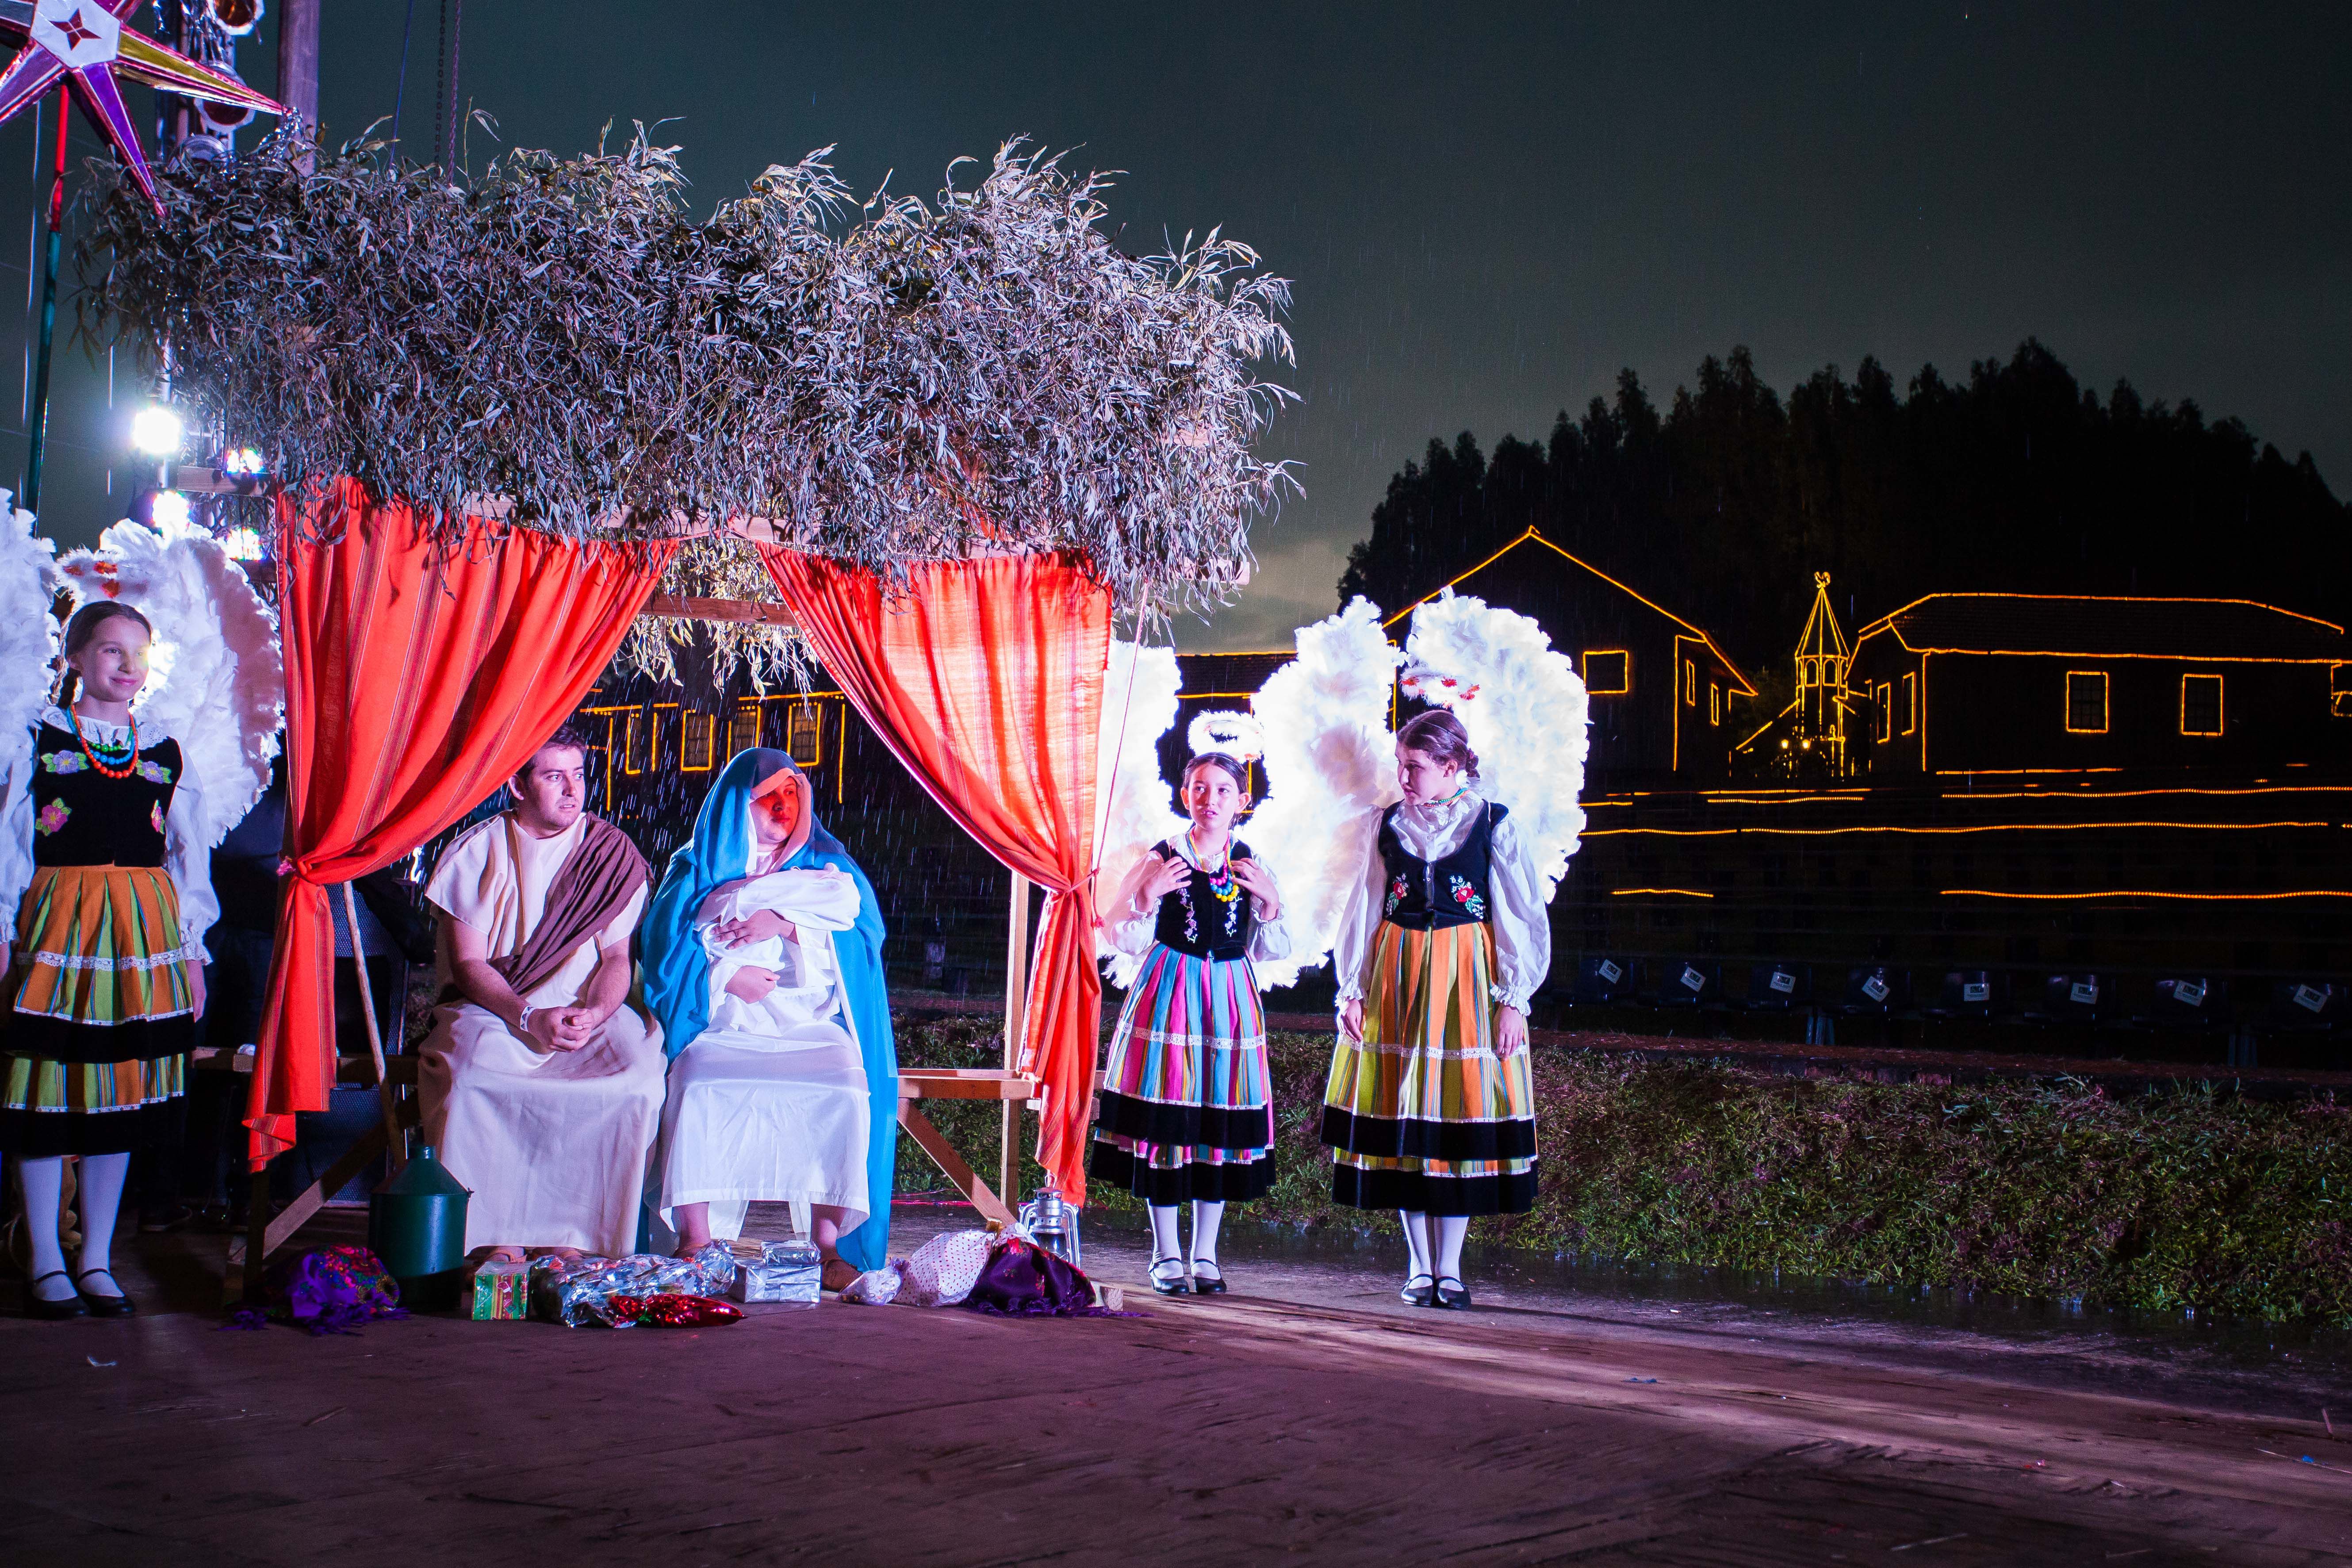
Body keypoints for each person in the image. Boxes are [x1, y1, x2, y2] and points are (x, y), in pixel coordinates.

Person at [0, 602, 214, 1319]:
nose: (128, 667)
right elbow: (10, 846)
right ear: (74, 657)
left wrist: (192, 953)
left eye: (140, 653)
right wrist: (2, 931)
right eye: (111, 651)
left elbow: (190, 860)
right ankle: (45, 1258)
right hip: (62, 922)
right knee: (47, 1090)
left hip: (143, 935)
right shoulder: (37, 738)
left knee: (119, 1091)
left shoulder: (163, 751)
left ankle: (95, 1259)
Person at [642, 749, 896, 1292]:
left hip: (807, 1025)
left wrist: (782, 923)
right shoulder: (695, 867)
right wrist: (724, 979)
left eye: (792, 795)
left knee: (847, 1088)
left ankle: (827, 1246)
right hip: (724, 1026)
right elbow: (663, 952)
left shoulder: (829, 868)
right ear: (739, 805)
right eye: (769, 798)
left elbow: (862, 943)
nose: (783, 808)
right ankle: (694, 1239)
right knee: (696, 1084)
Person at [1322, 708, 1550, 1311]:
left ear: (1451, 766)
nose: (1402, 776)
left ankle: (1449, 1268)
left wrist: (1512, 1000)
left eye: (1414, 766)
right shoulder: (1386, 824)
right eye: (1400, 764)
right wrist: (1353, 988)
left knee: (1458, 1116)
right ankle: (1418, 1266)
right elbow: (1365, 906)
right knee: (1405, 1120)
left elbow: (1518, 917)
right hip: (1399, 976)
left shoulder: (1493, 824)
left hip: (1465, 980)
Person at [416, 727, 666, 1261]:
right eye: (554, 777)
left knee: (635, 1082)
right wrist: (528, 1015)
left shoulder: (609, 853)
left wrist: (596, 1011)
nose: (572, 790)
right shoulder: (477, 849)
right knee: (469, 1078)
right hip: (496, 1008)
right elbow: (468, 964)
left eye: (578, 775)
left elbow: (618, 958)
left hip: (583, 1011)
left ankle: (573, 1238)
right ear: (518, 785)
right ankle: (491, 1238)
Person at [1090, 752, 1289, 1296]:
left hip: (1227, 994)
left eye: (1224, 790)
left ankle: (1205, 1252)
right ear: (1185, 796)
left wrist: (1270, 902)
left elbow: (1272, 946)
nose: (1211, 799)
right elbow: (1118, 931)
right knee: (1167, 1118)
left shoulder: (1248, 861)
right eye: (1200, 788)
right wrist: (1145, 896)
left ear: (1242, 802)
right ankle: (1166, 1251)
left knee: (1214, 1121)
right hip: (1170, 991)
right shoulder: (1161, 856)